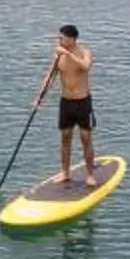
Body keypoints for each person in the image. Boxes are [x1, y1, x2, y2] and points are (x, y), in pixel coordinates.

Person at [34, 23, 95, 185]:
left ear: (71, 39)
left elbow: (86, 66)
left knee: (85, 138)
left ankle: (90, 174)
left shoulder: (84, 52)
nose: (59, 40)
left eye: (62, 38)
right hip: (66, 102)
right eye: (59, 38)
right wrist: (40, 96)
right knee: (65, 138)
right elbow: (51, 76)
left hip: (82, 101)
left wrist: (68, 54)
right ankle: (65, 173)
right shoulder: (58, 55)